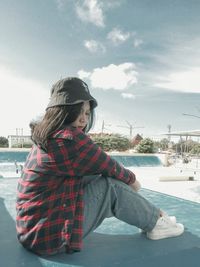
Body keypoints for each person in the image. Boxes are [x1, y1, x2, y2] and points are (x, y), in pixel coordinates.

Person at [16, 77, 184, 256]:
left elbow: (97, 166)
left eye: (87, 113)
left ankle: (153, 217)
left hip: (31, 231)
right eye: (77, 112)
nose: (82, 120)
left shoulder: (48, 135)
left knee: (97, 177)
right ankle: (156, 222)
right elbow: (110, 166)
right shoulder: (68, 137)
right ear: (62, 112)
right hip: (49, 237)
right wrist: (133, 182)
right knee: (111, 185)